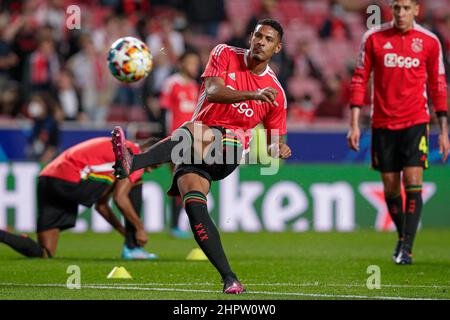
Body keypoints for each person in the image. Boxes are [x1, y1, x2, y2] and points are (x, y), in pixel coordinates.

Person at [111, 19, 291, 294]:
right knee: (194, 206)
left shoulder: (276, 93)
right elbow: (214, 92)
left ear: (277, 48)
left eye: (268, 39)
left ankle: (132, 163)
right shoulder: (224, 54)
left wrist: (278, 148)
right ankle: (229, 278)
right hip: (194, 149)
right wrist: (253, 94)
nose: (260, 42)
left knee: (191, 130)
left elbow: (273, 142)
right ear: (250, 37)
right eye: (257, 36)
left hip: (227, 149)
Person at [347, 0, 449, 265]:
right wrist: (355, 122)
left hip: (416, 122)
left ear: (417, 10)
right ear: (391, 10)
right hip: (382, 125)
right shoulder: (374, 37)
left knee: (413, 181)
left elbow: (438, 85)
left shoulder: (429, 41)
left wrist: (444, 131)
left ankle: (407, 247)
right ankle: (403, 236)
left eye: (406, 8)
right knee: (391, 187)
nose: (401, 13)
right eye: (396, 8)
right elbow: (360, 78)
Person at [0, 137, 158, 260]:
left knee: (45, 252)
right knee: (136, 182)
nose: (151, 170)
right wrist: (140, 229)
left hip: (47, 178)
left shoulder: (119, 149)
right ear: (149, 153)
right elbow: (120, 198)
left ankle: (2, 235)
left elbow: (101, 205)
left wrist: (124, 232)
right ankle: (133, 249)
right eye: (155, 165)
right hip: (71, 179)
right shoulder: (133, 154)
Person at [159, 50, 200, 238]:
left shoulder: (195, 86)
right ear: (182, 63)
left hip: (192, 141)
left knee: (186, 181)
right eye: (190, 62)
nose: (194, 66)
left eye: (196, 63)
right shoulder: (172, 83)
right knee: (182, 179)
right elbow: (165, 112)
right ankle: (176, 225)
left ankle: (178, 224)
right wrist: (168, 138)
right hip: (176, 138)